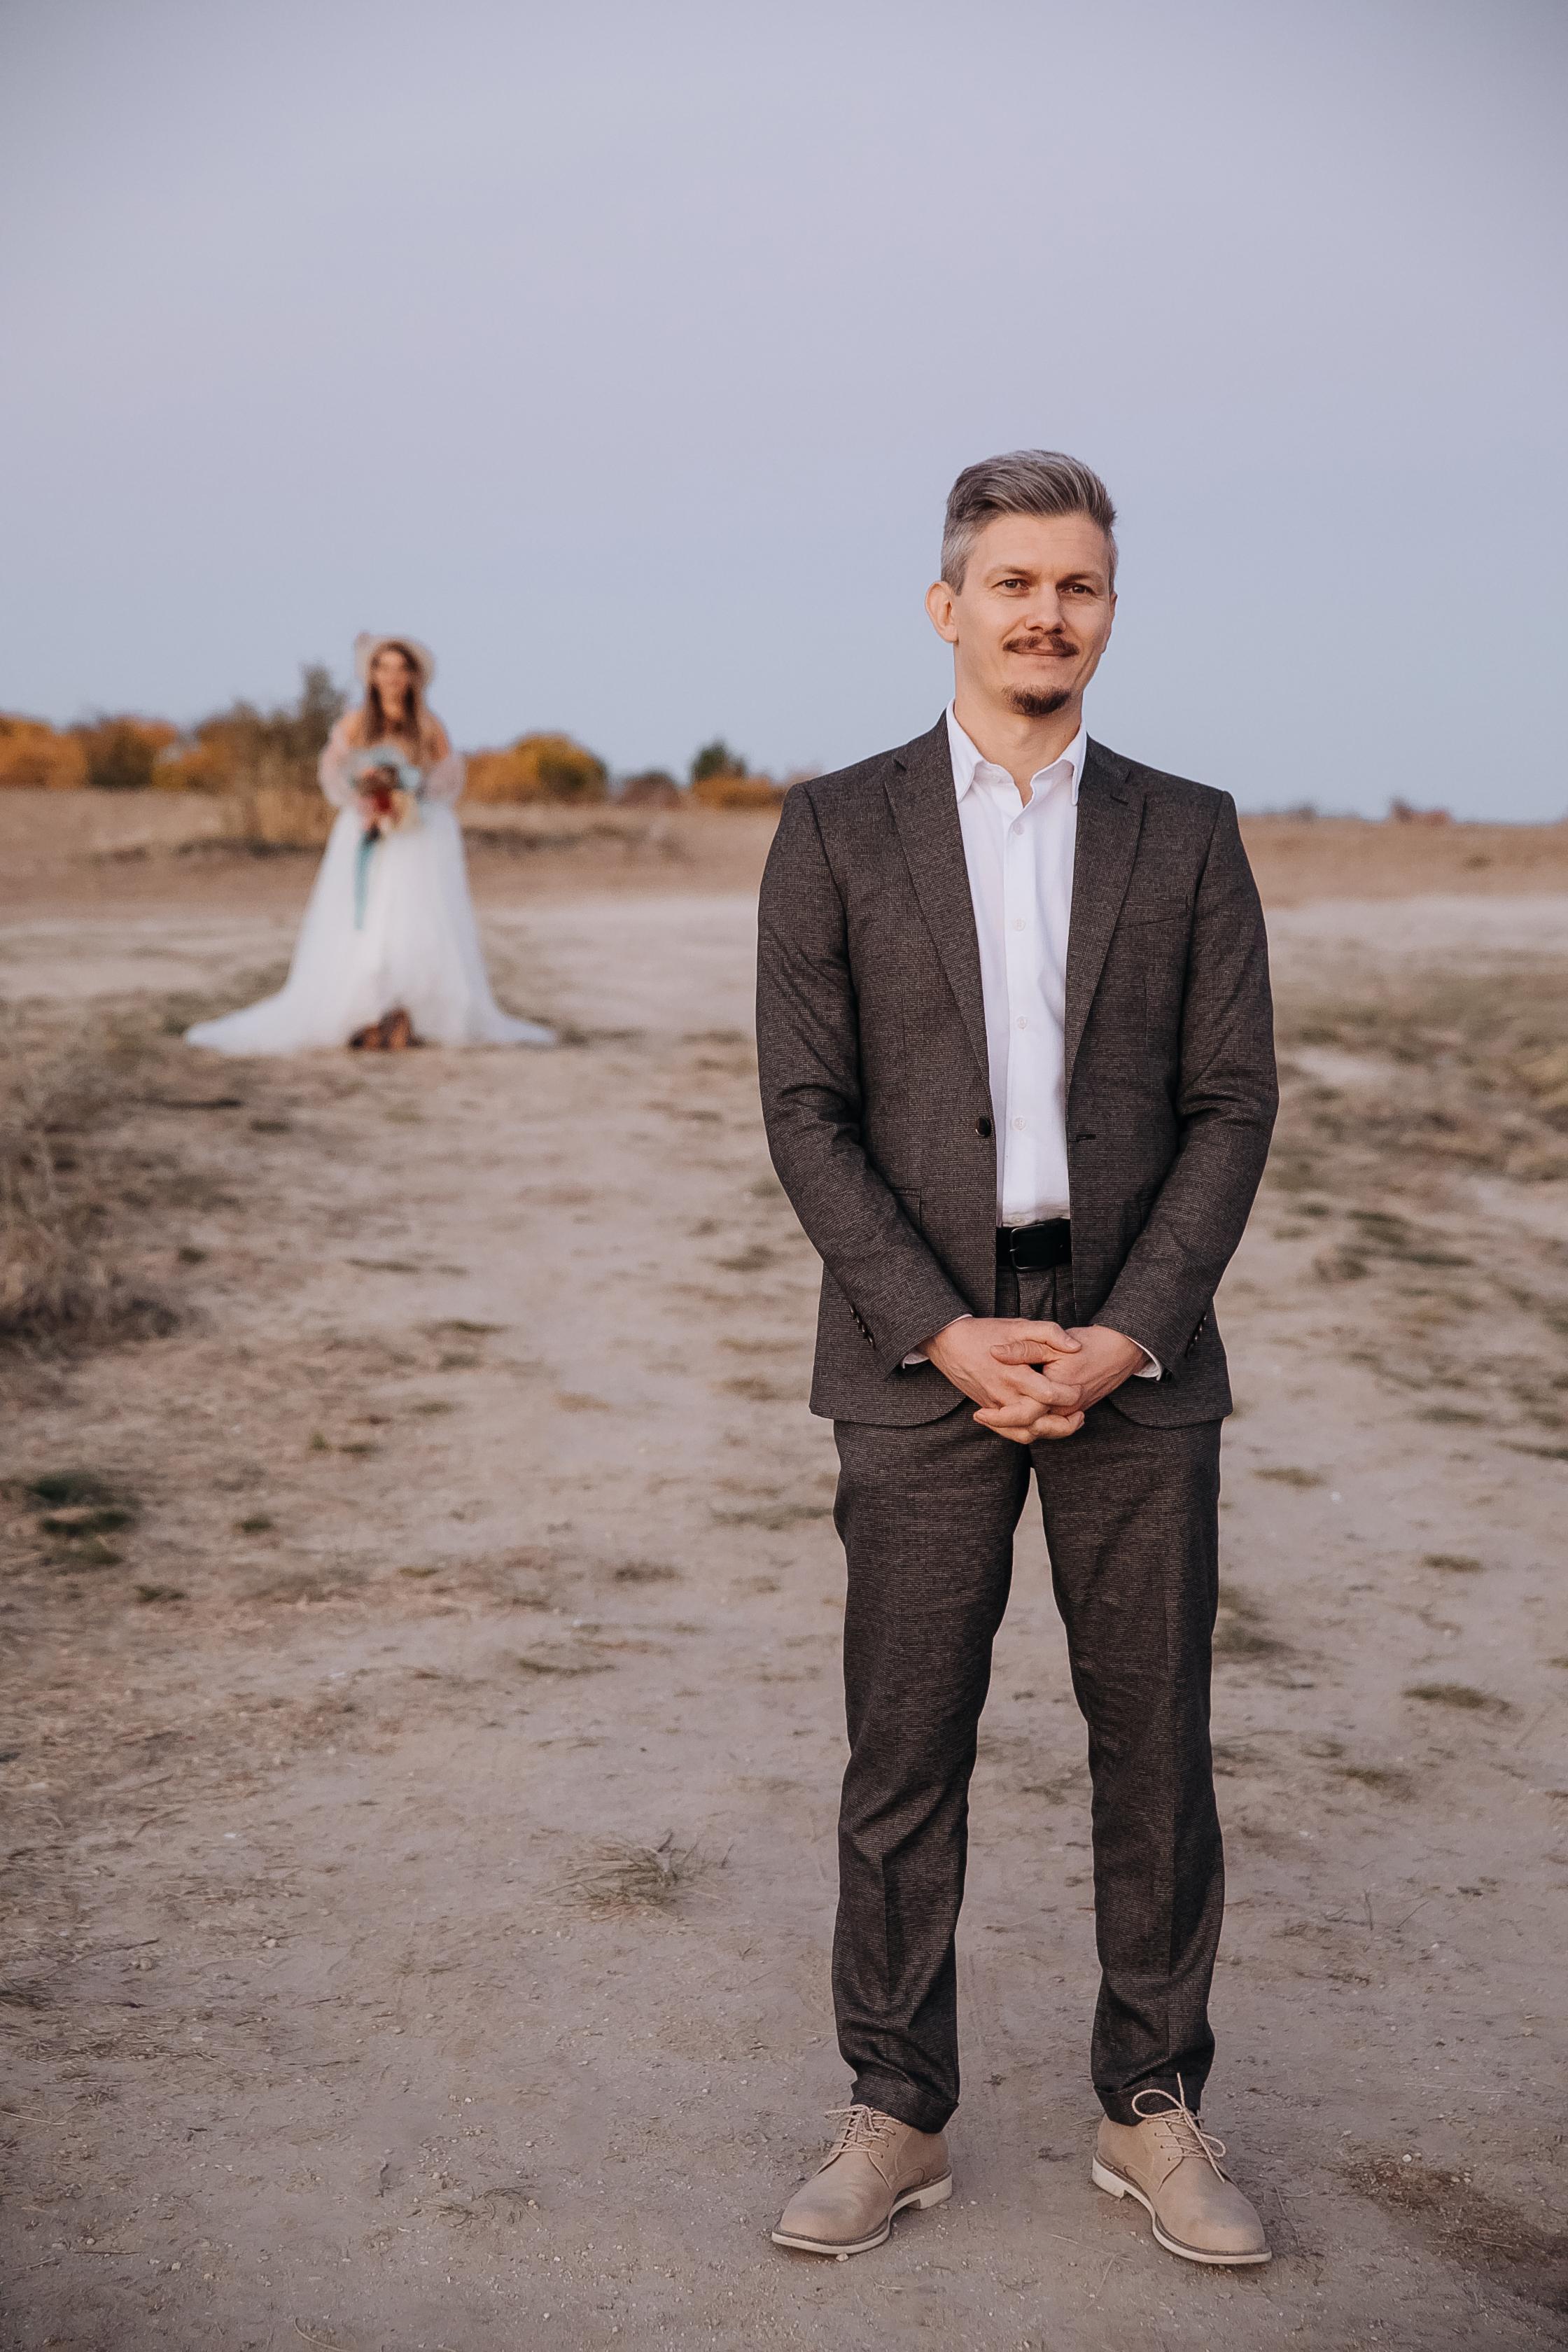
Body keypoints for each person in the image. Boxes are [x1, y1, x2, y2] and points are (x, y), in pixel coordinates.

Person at [756, 452, 1278, 2270]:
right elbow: (808, 1113)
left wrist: (1132, 1330)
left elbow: (1232, 1105)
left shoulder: (1192, 828)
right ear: (947, 605)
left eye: (1079, 584)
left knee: (1159, 1750)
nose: (1046, 611)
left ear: (1108, 610)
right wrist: (941, 1324)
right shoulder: (833, 830)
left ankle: (1154, 2110)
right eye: (1014, 582)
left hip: (1140, 1352)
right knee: (904, 1750)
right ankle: (895, 2110)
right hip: (918, 1361)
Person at [186, 635, 554, 1054]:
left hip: (416, 835)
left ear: (414, 676)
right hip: (368, 831)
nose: (392, 678)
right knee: (368, 922)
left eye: (401, 669)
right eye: (384, 668)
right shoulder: (356, 723)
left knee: (414, 922)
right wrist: (364, 797)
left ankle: (407, 1014)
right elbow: (333, 772)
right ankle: (365, 1013)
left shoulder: (429, 725)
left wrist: (410, 796)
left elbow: (449, 776)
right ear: (372, 675)